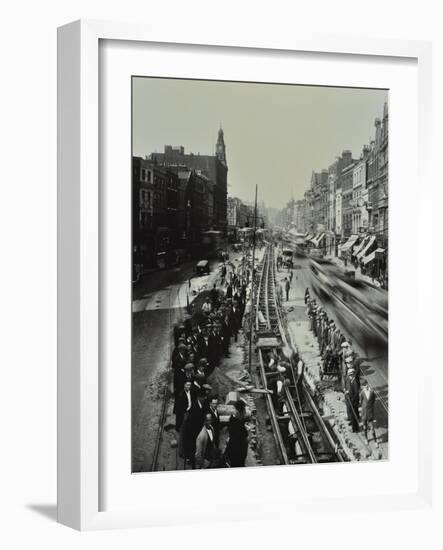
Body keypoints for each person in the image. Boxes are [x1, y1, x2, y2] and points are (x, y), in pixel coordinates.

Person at [225, 400, 248, 467]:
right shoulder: (238, 422)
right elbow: (244, 436)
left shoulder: (232, 419)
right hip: (238, 451)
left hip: (233, 449)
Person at [360, 380, 378, 446]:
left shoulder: (372, 392)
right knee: (365, 427)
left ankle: (375, 441)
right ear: (362, 387)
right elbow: (361, 401)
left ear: (368, 384)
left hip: (370, 413)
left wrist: (370, 408)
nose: (365, 386)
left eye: (366, 384)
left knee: (372, 428)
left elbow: (373, 400)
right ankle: (366, 439)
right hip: (364, 413)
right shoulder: (362, 393)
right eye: (364, 385)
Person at [345, 368, 360, 432]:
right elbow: (347, 387)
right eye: (349, 375)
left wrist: (352, 400)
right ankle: (353, 423)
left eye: (352, 375)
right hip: (350, 399)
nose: (350, 376)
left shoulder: (355, 382)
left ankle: (355, 429)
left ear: (354, 375)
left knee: (353, 414)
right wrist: (347, 391)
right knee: (352, 414)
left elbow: (356, 394)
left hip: (353, 401)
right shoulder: (350, 380)